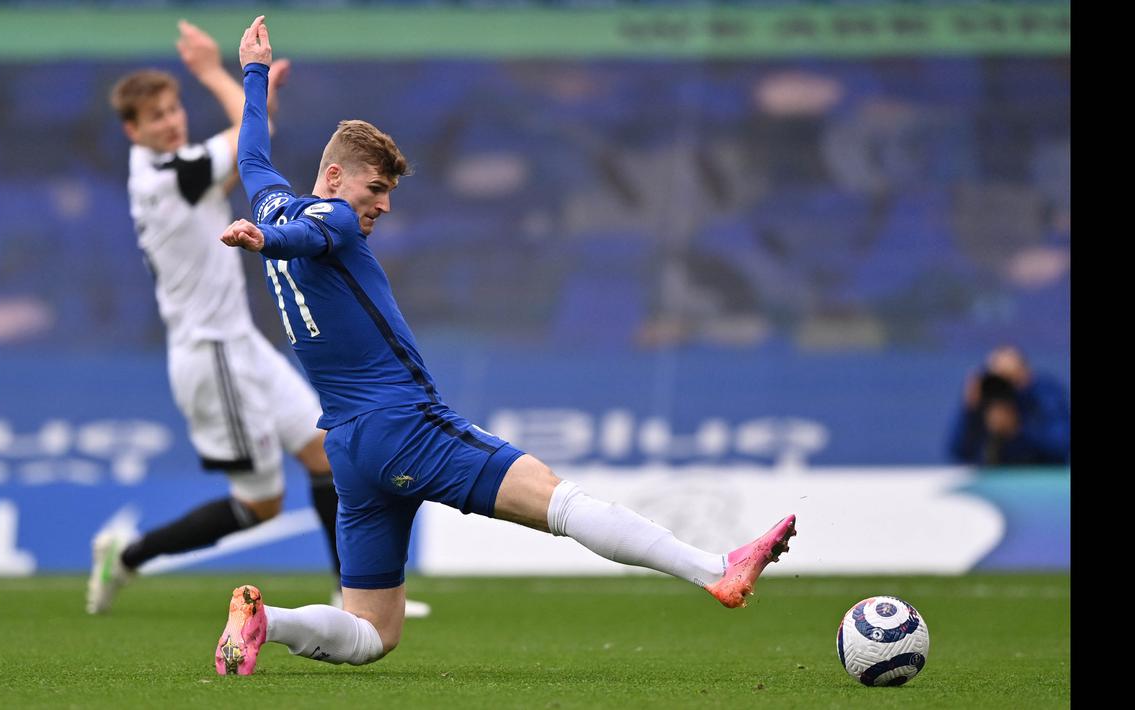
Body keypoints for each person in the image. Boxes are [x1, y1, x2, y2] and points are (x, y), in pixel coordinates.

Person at [211, 16, 796, 675]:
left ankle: (268, 620)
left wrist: (254, 76)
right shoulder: (331, 219)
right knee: (561, 501)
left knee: (373, 632)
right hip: (403, 425)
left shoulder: (269, 202)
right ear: (337, 176)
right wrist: (268, 243)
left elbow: (252, 157)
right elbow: (316, 233)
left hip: (349, 445)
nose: (381, 207)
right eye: (375, 189)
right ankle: (716, 568)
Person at [89, 19, 429, 619]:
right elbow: (250, 139)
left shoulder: (184, 170)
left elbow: (247, 142)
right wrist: (219, 75)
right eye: (156, 117)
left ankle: (349, 596)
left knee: (324, 453)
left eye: (174, 108)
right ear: (132, 132)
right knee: (261, 505)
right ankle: (128, 555)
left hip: (238, 343)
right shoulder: (172, 174)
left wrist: (254, 93)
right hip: (210, 352)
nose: (171, 121)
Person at [947, 345, 1070, 466]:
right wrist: (970, 411)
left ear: (1026, 374)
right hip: (997, 478)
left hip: (1043, 477)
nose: (1004, 385)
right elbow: (959, 452)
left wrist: (1017, 430)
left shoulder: (1044, 394)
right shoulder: (986, 401)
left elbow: (1062, 445)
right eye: (998, 377)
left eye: (1010, 377)